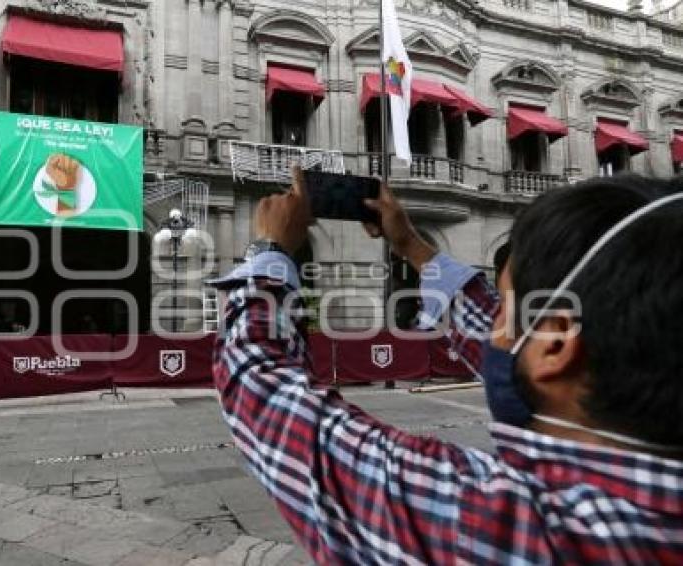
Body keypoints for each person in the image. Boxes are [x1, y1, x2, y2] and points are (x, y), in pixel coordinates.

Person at [210, 169, 683, 564]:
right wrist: (412, 246)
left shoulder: (510, 532)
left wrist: (268, 253)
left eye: (504, 309)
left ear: (555, 347)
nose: (494, 326)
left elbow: (261, 389)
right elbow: (510, 343)